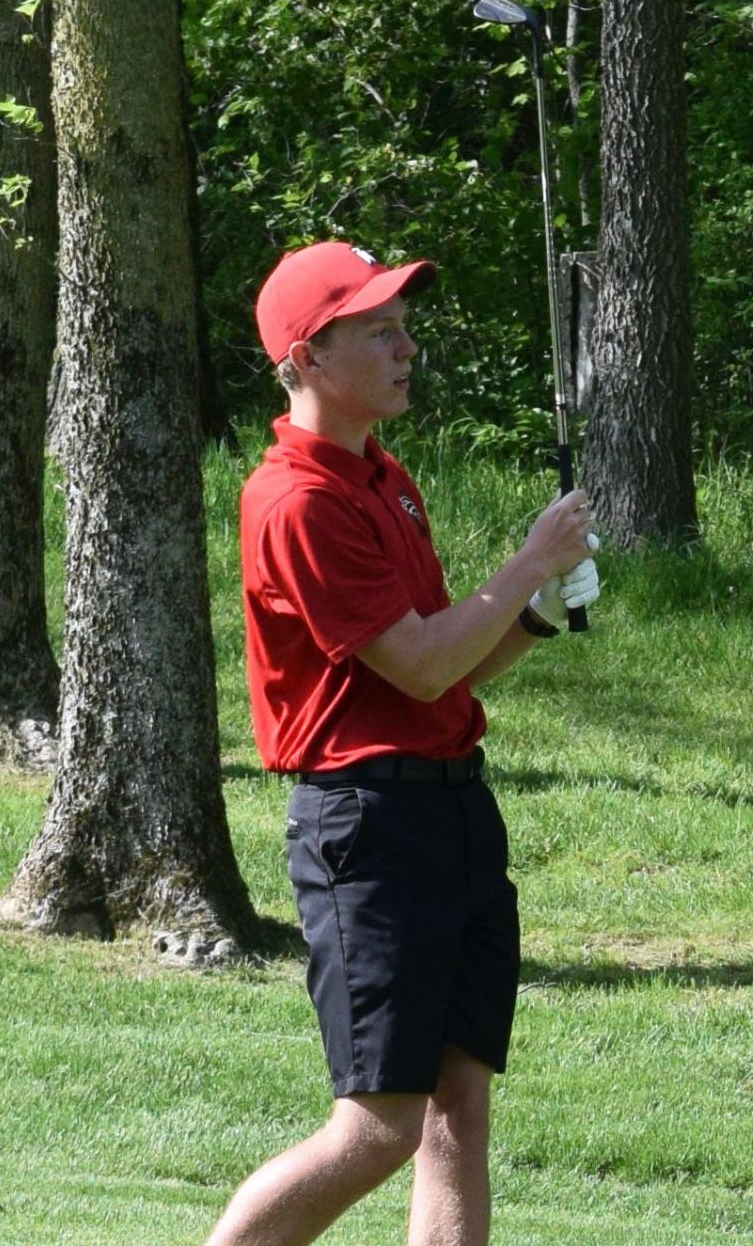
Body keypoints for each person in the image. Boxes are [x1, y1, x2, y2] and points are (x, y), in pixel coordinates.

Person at [204, 242, 599, 1246]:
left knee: (457, 1107)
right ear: (307, 356)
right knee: (379, 1125)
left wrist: (539, 611)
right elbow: (419, 663)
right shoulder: (296, 500)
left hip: (454, 811)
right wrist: (525, 564)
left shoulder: (385, 478)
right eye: (378, 328)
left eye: (403, 323)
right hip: (367, 830)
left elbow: (448, 661)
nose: (405, 345)